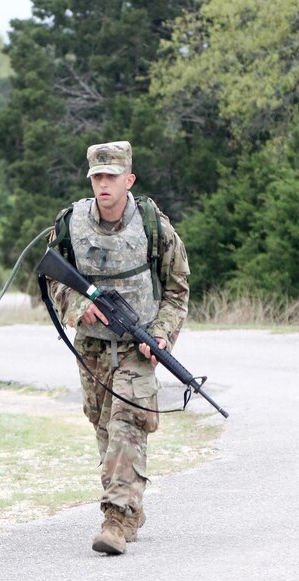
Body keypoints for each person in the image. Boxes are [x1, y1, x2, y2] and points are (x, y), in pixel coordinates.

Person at [47, 140, 190, 555]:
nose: (104, 184)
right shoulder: (71, 223)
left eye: (112, 176)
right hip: (91, 348)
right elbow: (53, 279)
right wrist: (78, 305)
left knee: (128, 421)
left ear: (129, 179)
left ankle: (115, 517)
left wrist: (161, 334)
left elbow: (178, 289)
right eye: (97, 177)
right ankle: (130, 509)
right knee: (105, 428)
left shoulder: (152, 225)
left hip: (137, 345)